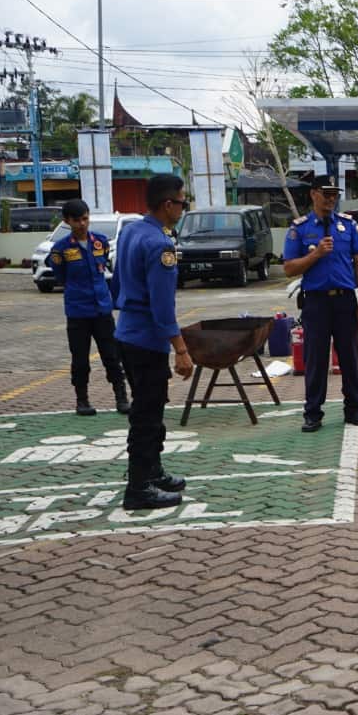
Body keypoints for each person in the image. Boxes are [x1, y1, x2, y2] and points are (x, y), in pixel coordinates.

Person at [113, 174, 193, 510]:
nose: (184, 208)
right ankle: (139, 487)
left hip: (127, 333)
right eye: (182, 202)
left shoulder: (131, 230)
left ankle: (153, 470)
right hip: (147, 341)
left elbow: (116, 282)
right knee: (146, 415)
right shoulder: (161, 246)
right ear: (167, 204)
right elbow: (162, 307)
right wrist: (181, 348)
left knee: (151, 409)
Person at [284, 185, 358, 432]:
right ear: (314, 194)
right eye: (326, 194)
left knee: (349, 357)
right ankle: (313, 413)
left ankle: (354, 409)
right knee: (315, 359)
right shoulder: (299, 228)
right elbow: (289, 268)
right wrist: (316, 254)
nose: (331, 199)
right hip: (316, 302)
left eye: (335, 195)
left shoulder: (349, 225)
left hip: (345, 300)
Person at [49, 199, 130, 417]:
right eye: (77, 220)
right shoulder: (61, 250)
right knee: (80, 359)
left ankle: (121, 397)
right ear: (67, 221)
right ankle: (82, 400)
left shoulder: (100, 242)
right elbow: (60, 276)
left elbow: (104, 269)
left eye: (85, 218)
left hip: (102, 310)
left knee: (112, 356)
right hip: (78, 312)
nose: (82, 224)